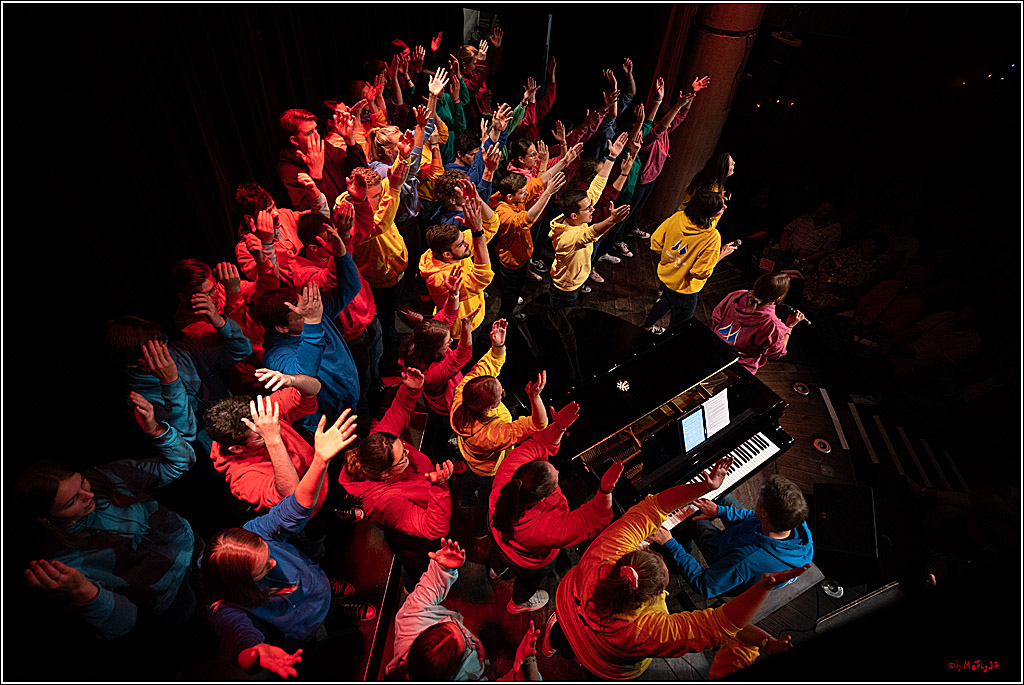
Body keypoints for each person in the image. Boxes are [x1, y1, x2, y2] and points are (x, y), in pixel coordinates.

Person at [544, 455, 810, 680]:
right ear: (658, 592)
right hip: (604, 662)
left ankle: (551, 643)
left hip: (568, 606)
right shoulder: (650, 630)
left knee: (561, 630)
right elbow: (718, 625)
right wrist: (765, 587)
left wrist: (704, 486)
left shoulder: (606, 552)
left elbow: (653, 507)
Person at [203, 409, 374, 680]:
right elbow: (238, 637)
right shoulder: (226, 607)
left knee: (330, 606)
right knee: (317, 653)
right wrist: (254, 653)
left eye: (267, 553)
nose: (273, 562)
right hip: (299, 633)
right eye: (263, 568)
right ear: (242, 583)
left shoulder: (256, 532)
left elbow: (295, 506)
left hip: (317, 588)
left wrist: (319, 461)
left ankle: (336, 604)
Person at [19, 392, 198, 639]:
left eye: (82, 482)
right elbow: (123, 623)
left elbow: (181, 463)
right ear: (48, 518)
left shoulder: (104, 476)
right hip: (170, 595)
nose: (88, 494)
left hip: (192, 546)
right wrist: (83, 591)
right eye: (73, 501)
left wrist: (155, 429)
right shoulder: (64, 560)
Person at [487, 401, 622, 613]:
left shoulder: (512, 472)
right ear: (543, 499)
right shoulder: (546, 528)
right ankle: (517, 603)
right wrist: (605, 490)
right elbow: (593, 520)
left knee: (500, 554)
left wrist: (559, 427)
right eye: (555, 479)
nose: (558, 474)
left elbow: (537, 445)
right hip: (526, 561)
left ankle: (495, 570)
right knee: (528, 582)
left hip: (498, 535)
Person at [338, 367, 456, 590]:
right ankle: (414, 588)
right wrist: (440, 488)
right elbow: (434, 528)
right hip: (414, 542)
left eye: (403, 447)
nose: (408, 454)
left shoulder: (379, 443)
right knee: (416, 566)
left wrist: (411, 390)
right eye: (402, 457)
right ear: (384, 474)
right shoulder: (385, 502)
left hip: (421, 509)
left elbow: (399, 411)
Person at [253, 228, 361, 434]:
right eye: (302, 314)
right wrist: (312, 322)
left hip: (349, 400)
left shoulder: (314, 312)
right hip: (327, 424)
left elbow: (350, 288)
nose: (312, 313)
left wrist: (341, 255)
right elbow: (305, 375)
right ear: (282, 327)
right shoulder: (276, 357)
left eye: (308, 307)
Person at [386, 538, 542, 681]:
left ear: (421, 634)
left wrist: (443, 568)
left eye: (446, 624)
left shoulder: (410, 619)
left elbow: (430, 586)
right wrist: (524, 670)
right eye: (465, 639)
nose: (466, 634)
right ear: (453, 674)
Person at [450, 319, 548, 537]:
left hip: (469, 459)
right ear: (489, 408)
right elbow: (538, 424)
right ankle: (479, 529)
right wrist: (534, 397)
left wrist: (498, 346)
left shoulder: (463, 392)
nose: (503, 390)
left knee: (467, 480)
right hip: (487, 472)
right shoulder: (492, 434)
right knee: (485, 498)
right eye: (499, 394)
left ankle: (464, 499)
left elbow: (488, 366)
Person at [649, 475, 814, 599]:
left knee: (690, 515)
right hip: (746, 539)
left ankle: (676, 563)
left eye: (759, 498)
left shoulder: (746, 560)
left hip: (727, 561)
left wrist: (670, 544)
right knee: (723, 495)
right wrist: (720, 511)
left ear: (764, 512)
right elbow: (752, 517)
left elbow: (705, 586)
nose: (756, 497)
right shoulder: (795, 521)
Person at [292, 206, 383, 419]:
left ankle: (377, 397)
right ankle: (364, 419)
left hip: (370, 321)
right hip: (352, 338)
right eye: (329, 240)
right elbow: (334, 278)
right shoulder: (301, 272)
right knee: (361, 382)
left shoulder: (335, 251)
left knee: (376, 368)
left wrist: (361, 202)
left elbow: (365, 228)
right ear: (314, 248)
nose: (337, 244)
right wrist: (341, 245)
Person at [204, 371, 327, 514]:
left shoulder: (262, 415)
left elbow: (314, 388)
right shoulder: (242, 479)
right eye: (260, 437)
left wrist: (292, 380)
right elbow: (293, 495)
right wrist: (273, 439)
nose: (270, 429)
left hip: (323, 478)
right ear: (237, 448)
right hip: (311, 514)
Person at [398, 266, 477, 459]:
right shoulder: (433, 373)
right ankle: (433, 458)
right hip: (444, 408)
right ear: (434, 349)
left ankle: (428, 450)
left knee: (433, 428)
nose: (451, 341)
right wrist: (466, 328)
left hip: (435, 404)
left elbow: (448, 316)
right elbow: (462, 355)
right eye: (447, 342)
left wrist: (453, 294)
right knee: (439, 435)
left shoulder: (421, 340)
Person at [618, 75, 710, 241]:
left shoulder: (665, 133)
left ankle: (631, 229)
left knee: (638, 207)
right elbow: (661, 128)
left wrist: (692, 93)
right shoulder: (648, 135)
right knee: (628, 210)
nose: (670, 123)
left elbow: (681, 115)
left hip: (651, 179)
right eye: (667, 120)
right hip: (640, 180)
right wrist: (673, 105)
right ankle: (617, 240)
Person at [547, 136, 631, 301]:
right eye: (588, 208)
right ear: (574, 215)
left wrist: (612, 157)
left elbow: (597, 186)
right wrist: (611, 221)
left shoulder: (575, 218)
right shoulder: (568, 237)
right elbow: (590, 234)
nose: (592, 208)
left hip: (574, 283)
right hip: (566, 289)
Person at [641, 191, 737, 334]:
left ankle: (647, 327)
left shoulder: (678, 217)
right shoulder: (712, 237)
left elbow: (655, 243)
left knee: (666, 300)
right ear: (709, 212)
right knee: (680, 326)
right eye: (721, 206)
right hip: (684, 288)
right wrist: (722, 254)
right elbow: (700, 272)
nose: (725, 208)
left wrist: (674, 260)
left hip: (666, 277)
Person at [419, 186, 495, 340]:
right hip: (460, 330)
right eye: (461, 244)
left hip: (476, 314)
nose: (467, 243)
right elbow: (483, 277)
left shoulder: (452, 248)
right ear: (447, 254)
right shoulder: (439, 278)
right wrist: (477, 233)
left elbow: (492, 225)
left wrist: (477, 198)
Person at [492, 169, 567, 320]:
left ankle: (510, 313)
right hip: (511, 263)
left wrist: (565, 160)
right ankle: (504, 322)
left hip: (522, 258)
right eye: (522, 192)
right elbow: (525, 220)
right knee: (509, 296)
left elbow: (539, 182)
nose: (526, 194)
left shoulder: (516, 198)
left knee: (515, 291)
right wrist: (548, 193)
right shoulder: (503, 212)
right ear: (509, 196)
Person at [710, 273, 806, 375]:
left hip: (714, 349)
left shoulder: (737, 295)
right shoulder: (773, 325)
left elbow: (716, 316)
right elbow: (777, 353)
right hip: (737, 366)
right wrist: (789, 327)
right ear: (778, 298)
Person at [275, 107, 367, 211]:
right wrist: (316, 175)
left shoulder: (324, 147)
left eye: (316, 129)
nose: (317, 135)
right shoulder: (287, 171)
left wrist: (350, 142)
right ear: (294, 140)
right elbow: (309, 213)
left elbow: (360, 173)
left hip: (353, 214)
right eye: (309, 133)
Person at [799, 232, 889, 316]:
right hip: (821, 278)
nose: (869, 245)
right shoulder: (851, 250)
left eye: (874, 245)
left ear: (878, 249)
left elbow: (854, 284)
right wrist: (823, 278)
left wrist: (829, 281)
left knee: (815, 303)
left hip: (840, 293)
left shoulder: (872, 267)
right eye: (869, 241)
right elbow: (827, 260)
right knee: (800, 286)